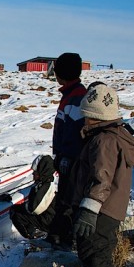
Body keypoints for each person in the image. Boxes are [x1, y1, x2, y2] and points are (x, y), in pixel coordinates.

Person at [70, 82, 134, 267]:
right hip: (110, 208)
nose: (83, 120)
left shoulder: (104, 140)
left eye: (86, 116)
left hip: (101, 209)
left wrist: (89, 210)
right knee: (99, 248)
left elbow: (101, 177)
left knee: (94, 251)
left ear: (96, 116)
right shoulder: (113, 135)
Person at [47, 52, 87, 246]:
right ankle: (57, 235)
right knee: (63, 197)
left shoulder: (77, 96)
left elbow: (75, 132)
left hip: (72, 160)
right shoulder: (70, 94)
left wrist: (66, 157)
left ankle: (66, 239)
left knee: (69, 200)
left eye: (56, 71)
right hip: (65, 157)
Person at [10, 155, 57, 239]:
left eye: (35, 172)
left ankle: (36, 236)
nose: (33, 174)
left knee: (15, 212)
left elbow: (35, 209)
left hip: (50, 221)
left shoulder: (47, 185)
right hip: (51, 218)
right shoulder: (46, 182)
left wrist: (22, 207)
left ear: (41, 171)